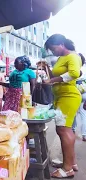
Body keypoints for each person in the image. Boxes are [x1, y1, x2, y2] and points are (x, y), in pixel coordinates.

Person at [43, 34, 82, 178]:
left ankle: (67, 169)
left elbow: (74, 73)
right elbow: (56, 74)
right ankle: (71, 163)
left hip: (68, 97)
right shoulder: (62, 58)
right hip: (61, 97)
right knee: (65, 131)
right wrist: (48, 70)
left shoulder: (72, 56)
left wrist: (52, 80)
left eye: (53, 49)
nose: (53, 52)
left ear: (61, 44)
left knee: (64, 130)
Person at [72, 53, 86, 141]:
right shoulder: (84, 69)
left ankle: (72, 131)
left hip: (73, 93)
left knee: (72, 114)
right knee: (83, 114)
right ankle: (84, 134)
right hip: (84, 93)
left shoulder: (72, 68)